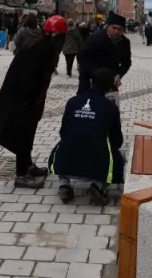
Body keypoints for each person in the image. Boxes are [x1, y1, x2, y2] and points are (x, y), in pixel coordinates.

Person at [0, 15, 68, 188]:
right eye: (62, 37)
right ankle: (21, 175)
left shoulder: (44, 44)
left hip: (27, 98)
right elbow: (28, 77)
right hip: (21, 98)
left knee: (29, 132)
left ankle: (28, 166)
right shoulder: (40, 48)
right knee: (23, 134)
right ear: (55, 35)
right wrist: (28, 101)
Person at [49, 68, 125, 205]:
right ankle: (98, 186)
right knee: (119, 159)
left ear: (91, 82)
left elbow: (63, 132)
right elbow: (117, 140)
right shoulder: (111, 108)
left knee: (60, 147)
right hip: (96, 164)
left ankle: (64, 184)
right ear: (110, 87)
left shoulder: (72, 102)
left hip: (67, 160)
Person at [78, 12, 132, 97]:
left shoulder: (125, 42)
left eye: (120, 29)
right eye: (114, 28)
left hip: (110, 80)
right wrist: (94, 73)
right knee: (86, 102)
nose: (116, 31)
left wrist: (119, 75)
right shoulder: (95, 37)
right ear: (108, 26)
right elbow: (82, 57)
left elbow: (126, 62)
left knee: (109, 104)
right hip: (90, 77)